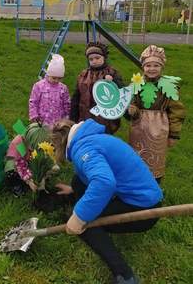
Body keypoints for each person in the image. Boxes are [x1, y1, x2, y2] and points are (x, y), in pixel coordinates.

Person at [52, 118, 163, 284]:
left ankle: (125, 276)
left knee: (88, 225)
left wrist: (80, 217)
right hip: (143, 196)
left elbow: (104, 182)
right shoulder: (92, 139)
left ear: (61, 144)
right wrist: (74, 189)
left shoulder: (83, 149)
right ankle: (80, 206)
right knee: (78, 180)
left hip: (144, 209)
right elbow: (92, 175)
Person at [128, 45, 185, 182]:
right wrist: (132, 110)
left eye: (156, 65)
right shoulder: (137, 83)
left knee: (156, 159)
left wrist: (173, 135)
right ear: (143, 67)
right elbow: (133, 102)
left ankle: (154, 188)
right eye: (148, 65)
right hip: (138, 129)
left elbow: (176, 111)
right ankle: (136, 186)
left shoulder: (169, 86)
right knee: (137, 158)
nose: (152, 69)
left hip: (159, 129)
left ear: (162, 67)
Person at [70, 42, 124, 133]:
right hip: (85, 114)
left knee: (103, 138)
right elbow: (76, 96)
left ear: (104, 57)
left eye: (97, 58)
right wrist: (73, 116)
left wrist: (113, 82)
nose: (94, 61)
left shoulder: (111, 73)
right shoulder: (83, 75)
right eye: (91, 59)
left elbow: (121, 92)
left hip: (105, 117)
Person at [4, 122, 51, 197]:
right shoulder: (19, 145)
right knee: (12, 172)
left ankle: (36, 179)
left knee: (36, 168)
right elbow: (20, 166)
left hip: (27, 159)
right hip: (16, 163)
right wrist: (29, 181)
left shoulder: (35, 138)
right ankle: (16, 185)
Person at [29, 54, 70, 126]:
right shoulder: (39, 86)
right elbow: (33, 102)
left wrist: (67, 116)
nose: (56, 80)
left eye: (59, 78)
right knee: (43, 136)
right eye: (54, 78)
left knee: (55, 136)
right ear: (48, 75)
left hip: (58, 122)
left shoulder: (63, 88)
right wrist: (34, 115)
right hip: (42, 120)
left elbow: (67, 103)